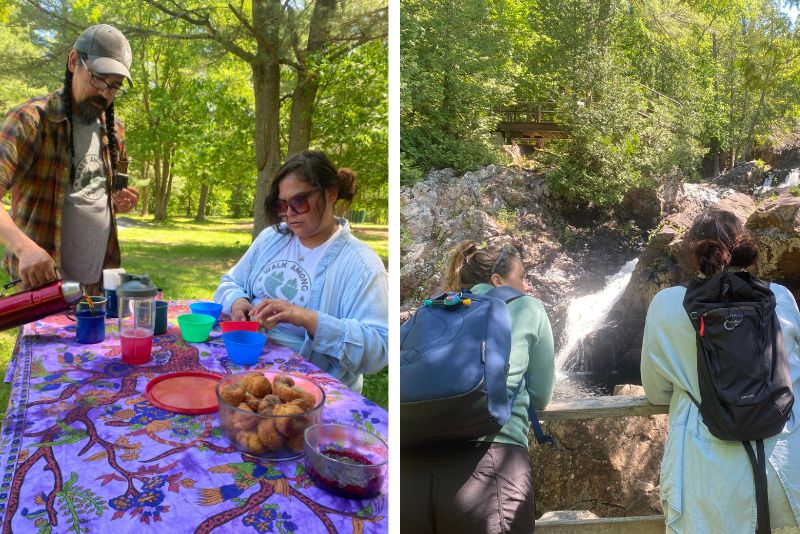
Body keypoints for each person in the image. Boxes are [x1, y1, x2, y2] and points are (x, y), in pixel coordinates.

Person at [641, 209, 800, 533]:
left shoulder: (667, 305)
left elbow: (656, 391)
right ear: (744, 246)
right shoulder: (779, 297)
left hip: (708, 483)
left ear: (694, 253)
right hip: (785, 468)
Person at [401, 240, 555, 534]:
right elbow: (540, 394)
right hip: (489, 470)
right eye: (521, 277)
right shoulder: (527, 307)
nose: (526, 286)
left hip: (410, 466)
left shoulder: (434, 308)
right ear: (497, 280)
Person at [214, 150, 388, 392]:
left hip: (308, 388)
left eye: (298, 202)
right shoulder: (272, 238)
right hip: (247, 363)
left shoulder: (361, 263)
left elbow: (378, 350)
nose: (289, 213)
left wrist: (308, 318)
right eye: (281, 205)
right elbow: (230, 282)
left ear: (330, 194)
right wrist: (238, 302)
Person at [0, 24, 140, 294]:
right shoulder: (30, 120)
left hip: (98, 287)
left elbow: (97, 194)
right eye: (99, 79)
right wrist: (24, 248)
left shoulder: (114, 130)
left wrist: (120, 202)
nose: (105, 93)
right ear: (74, 61)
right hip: (42, 290)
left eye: (115, 86)